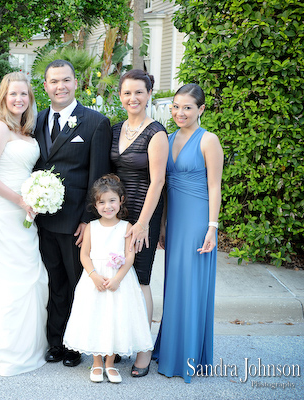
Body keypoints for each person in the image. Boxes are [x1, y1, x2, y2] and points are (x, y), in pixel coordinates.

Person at [34, 59, 112, 367]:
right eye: (54, 81)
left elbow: (99, 177)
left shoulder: (95, 122)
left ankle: (76, 345)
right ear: (45, 86)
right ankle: (56, 342)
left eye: (66, 80)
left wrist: (88, 221)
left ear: (76, 82)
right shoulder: (37, 120)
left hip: (76, 222)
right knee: (55, 283)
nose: (60, 86)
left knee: (77, 283)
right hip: (43, 220)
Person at [0, 72, 48, 376]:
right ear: (3, 98)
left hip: (25, 212)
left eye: (24, 94)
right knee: (4, 277)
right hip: (2, 211)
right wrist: (20, 200)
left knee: (29, 273)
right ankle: (2, 345)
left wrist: (38, 197)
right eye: (12, 94)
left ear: (30, 98)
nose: (18, 99)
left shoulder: (26, 131)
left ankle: (27, 342)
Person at [152, 84, 223, 383]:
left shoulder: (209, 140)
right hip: (176, 221)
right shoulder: (167, 139)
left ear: (201, 109)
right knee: (174, 286)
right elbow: (165, 188)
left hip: (197, 222)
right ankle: (171, 348)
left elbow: (215, 186)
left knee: (191, 286)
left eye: (188, 108)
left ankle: (189, 357)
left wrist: (212, 227)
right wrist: (164, 223)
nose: (180, 113)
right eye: (176, 107)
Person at [63, 174, 153, 383]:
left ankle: (110, 364)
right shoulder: (91, 227)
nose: (107, 206)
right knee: (96, 317)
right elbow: (84, 255)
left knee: (115, 318)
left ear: (121, 200)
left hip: (118, 281)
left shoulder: (127, 227)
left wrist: (118, 279)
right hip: (95, 279)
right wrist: (94, 276)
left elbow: (129, 256)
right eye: (101, 202)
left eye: (112, 200)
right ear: (95, 205)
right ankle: (96, 363)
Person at [109, 69, 168, 377]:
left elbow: (158, 181)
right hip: (117, 215)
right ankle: (121, 342)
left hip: (143, 212)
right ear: (121, 96)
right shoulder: (117, 129)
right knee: (120, 276)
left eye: (139, 92)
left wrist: (144, 223)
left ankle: (144, 352)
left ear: (149, 95)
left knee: (140, 279)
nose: (133, 98)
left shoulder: (156, 132)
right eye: (127, 92)